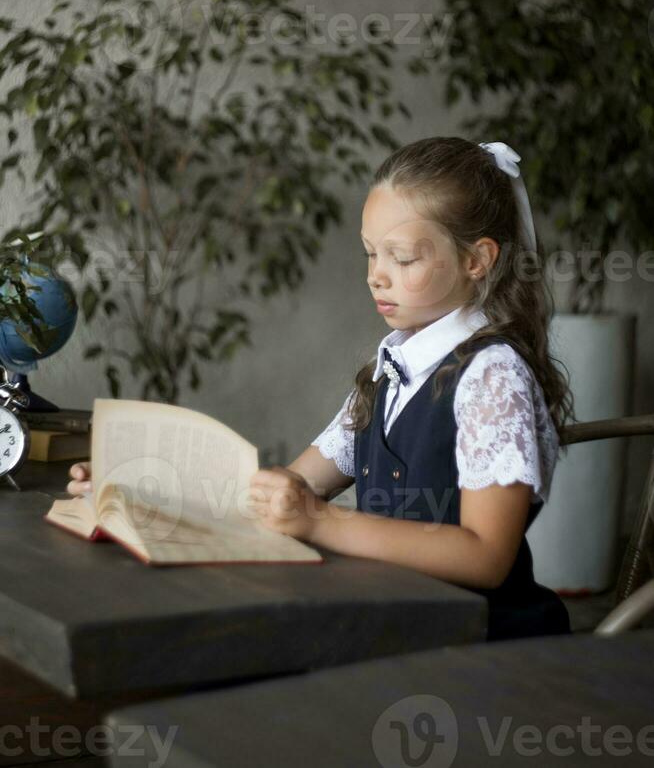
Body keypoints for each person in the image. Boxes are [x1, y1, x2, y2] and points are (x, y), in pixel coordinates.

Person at [68, 135, 575, 642]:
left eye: (402, 258)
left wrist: (322, 523)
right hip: (392, 623)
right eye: (371, 254)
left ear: (476, 260)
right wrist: (137, 485)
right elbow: (290, 489)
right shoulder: (394, 367)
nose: (377, 277)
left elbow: (486, 557)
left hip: (479, 646)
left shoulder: (492, 377)